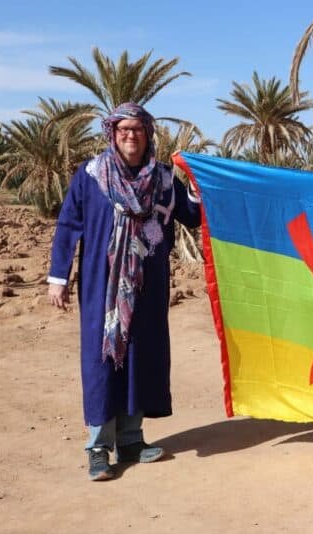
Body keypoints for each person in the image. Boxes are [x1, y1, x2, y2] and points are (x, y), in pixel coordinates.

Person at [48, 102, 201, 481]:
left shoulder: (165, 180)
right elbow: (69, 225)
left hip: (148, 286)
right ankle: (99, 447)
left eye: (137, 129)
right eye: (123, 130)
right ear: (113, 134)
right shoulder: (91, 175)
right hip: (102, 285)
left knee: (139, 357)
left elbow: (194, 215)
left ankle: (131, 440)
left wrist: (198, 180)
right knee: (102, 359)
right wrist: (58, 277)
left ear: (148, 133)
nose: (130, 136)